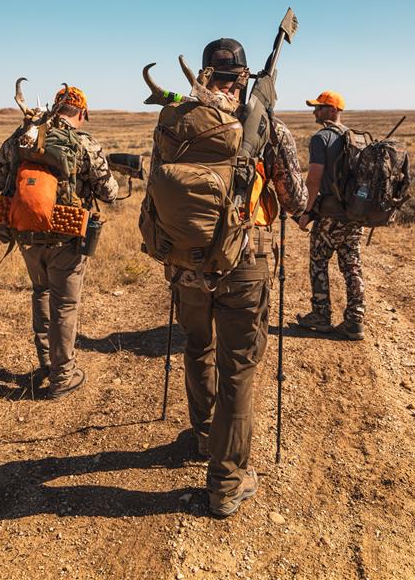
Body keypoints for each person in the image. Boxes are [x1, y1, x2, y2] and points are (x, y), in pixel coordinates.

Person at [149, 39, 308, 518]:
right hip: (244, 263)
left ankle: (204, 435)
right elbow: (297, 200)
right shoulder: (266, 126)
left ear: (203, 74)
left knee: (198, 346)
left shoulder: (175, 122)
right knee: (237, 367)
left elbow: (155, 181)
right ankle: (225, 483)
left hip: (186, 262)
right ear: (243, 77)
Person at [0, 86, 118, 399]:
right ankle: (63, 376)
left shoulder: (21, 137)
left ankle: (47, 363)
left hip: (26, 234)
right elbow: (109, 193)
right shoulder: (84, 142)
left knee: (41, 292)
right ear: (82, 113)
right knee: (65, 304)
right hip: (66, 235)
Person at [296, 90, 365, 341]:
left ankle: (320, 315)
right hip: (354, 214)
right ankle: (355, 321)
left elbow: (313, 180)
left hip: (329, 215)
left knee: (318, 262)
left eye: (320, 107)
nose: (315, 112)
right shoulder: (356, 138)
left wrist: (306, 211)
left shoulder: (321, 138)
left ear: (333, 110)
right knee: (352, 265)